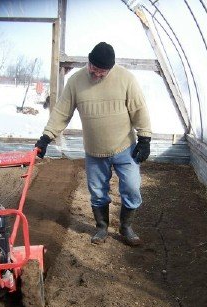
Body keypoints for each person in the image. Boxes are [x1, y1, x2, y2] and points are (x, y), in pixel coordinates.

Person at [34, 42, 151, 247]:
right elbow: (62, 112)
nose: (96, 74)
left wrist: (145, 139)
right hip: (95, 151)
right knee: (97, 191)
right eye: (93, 68)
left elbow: (139, 110)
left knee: (132, 187)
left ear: (111, 68)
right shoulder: (76, 81)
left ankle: (126, 227)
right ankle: (102, 227)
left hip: (125, 147)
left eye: (102, 71)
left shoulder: (126, 79)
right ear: (89, 61)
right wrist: (46, 137)